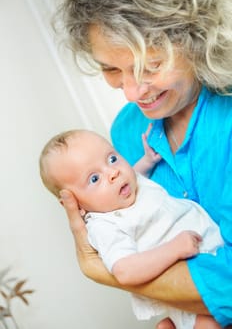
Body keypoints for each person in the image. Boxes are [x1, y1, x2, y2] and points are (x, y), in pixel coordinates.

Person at [53, 0, 232, 327]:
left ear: (196, 39)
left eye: (149, 65)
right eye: (111, 69)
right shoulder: (125, 132)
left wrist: (101, 270)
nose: (133, 92)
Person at [39, 129, 223, 329]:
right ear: (74, 204)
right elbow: (125, 271)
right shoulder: (104, 226)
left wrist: (147, 161)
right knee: (210, 323)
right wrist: (175, 248)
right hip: (187, 289)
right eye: (94, 179)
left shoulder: (122, 187)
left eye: (111, 159)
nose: (113, 173)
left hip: (212, 259)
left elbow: (134, 174)